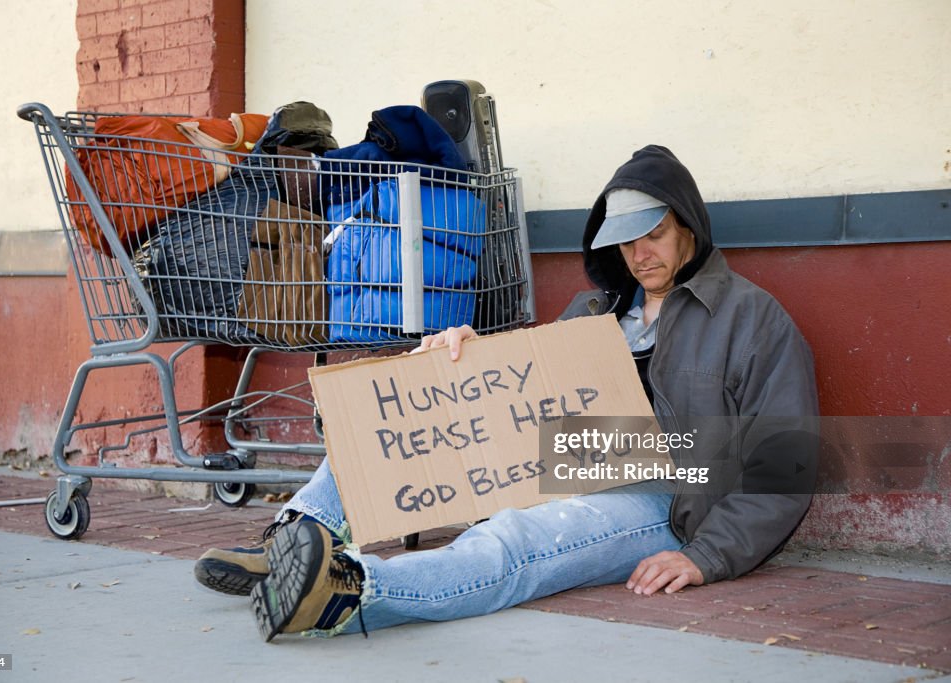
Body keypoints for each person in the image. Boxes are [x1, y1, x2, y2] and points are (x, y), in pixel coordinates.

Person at [194, 144, 819, 641]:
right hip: (562, 462)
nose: (638, 253)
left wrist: (709, 555)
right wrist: (465, 357)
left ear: (689, 227)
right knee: (385, 430)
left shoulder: (751, 318)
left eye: (652, 233)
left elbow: (787, 462)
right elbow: (527, 390)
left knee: (515, 544)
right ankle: (288, 544)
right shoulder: (594, 310)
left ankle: (347, 592)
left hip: (664, 500)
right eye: (625, 239)